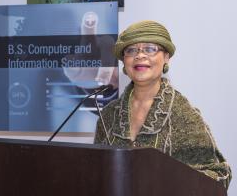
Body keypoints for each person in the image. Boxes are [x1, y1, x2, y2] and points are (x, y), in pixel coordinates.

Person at [94, 20, 232, 189]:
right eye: (131, 50)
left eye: (150, 49)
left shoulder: (183, 115)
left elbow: (218, 176)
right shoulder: (108, 115)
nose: (140, 55)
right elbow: (96, 172)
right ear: (124, 61)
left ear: (166, 57)